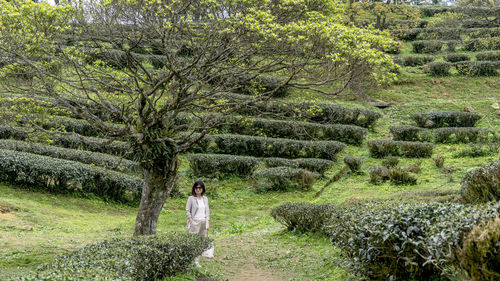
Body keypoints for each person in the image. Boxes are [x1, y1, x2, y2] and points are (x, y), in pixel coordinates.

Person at [185, 180, 210, 267]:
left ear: (203, 189)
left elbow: (207, 211)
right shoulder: (191, 198)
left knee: (200, 242)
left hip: (203, 222)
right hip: (195, 222)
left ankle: (196, 261)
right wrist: (191, 220)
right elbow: (187, 210)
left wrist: (208, 223)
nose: (198, 189)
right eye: (196, 188)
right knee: (192, 241)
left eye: (200, 188)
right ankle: (189, 260)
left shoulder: (205, 199)